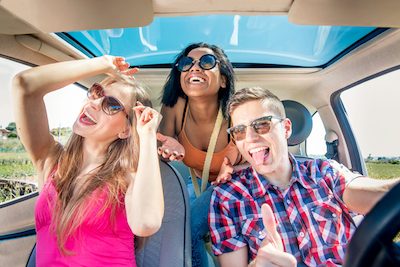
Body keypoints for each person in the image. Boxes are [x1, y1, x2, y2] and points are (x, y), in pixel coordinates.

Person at [209, 87, 400, 267]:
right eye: (239, 131)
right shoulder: (228, 196)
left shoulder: (325, 173)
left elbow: (378, 194)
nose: (250, 137)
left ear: (286, 128)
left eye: (261, 124)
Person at [13, 56, 164, 266]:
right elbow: (24, 85)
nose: (93, 104)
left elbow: (146, 223)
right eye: (95, 93)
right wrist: (100, 64)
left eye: (110, 104)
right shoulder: (52, 161)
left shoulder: (127, 177)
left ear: (126, 129)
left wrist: (147, 136)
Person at [157, 43, 243, 267]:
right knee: (172, 225)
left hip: (238, 182)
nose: (194, 68)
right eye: (186, 63)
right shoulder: (174, 107)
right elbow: (160, 153)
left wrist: (232, 166)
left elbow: (251, 150)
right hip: (198, 184)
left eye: (206, 62)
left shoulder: (235, 110)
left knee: (187, 226)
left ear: (223, 79)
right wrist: (169, 146)